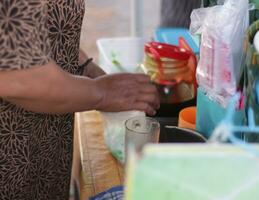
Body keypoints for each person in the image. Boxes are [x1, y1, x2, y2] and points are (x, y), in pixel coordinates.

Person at [0, 1, 159, 199]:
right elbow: (19, 78)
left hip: (42, 155)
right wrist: (102, 92)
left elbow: (35, 31)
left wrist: (86, 68)